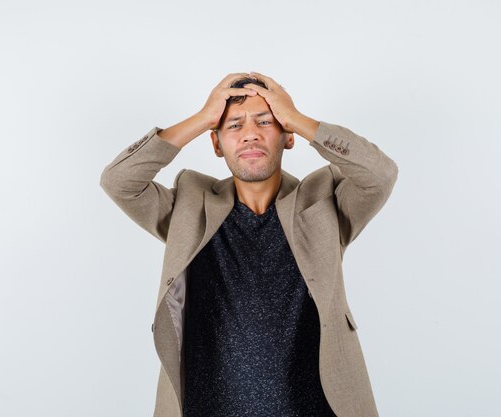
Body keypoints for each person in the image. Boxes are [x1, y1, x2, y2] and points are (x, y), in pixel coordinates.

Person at [100, 72, 398, 417]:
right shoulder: (189, 205)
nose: (251, 134)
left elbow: (381, 174)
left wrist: (298, 120)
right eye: (234, 125)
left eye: (265, 121)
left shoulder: (324, 202)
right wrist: (201, 119)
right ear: (216, 143)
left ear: (288, 137)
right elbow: (118, 181)